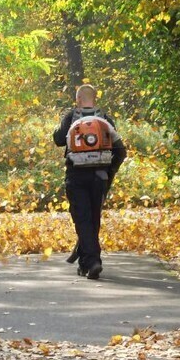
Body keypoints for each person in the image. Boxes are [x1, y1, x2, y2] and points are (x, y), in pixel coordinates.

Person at [53, 84, 126, 280]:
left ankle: (93, 261)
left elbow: (58, 139)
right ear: (95, 98)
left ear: (78, 99)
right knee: (93, 219)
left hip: (76, 175)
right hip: (100, 176)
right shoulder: (104, 119)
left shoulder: (71, 117)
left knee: (82, 219)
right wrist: (110, 172)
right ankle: (86, 263)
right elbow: (121, 151)